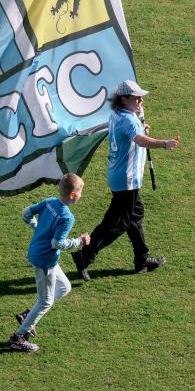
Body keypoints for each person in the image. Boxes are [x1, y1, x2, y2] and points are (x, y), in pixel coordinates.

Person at [72, 79, 179, 281]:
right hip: (126, 180)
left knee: (135, 217)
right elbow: (139, 140)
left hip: (119, 176)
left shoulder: (119, 115)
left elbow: (130, 133)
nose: (140, 100)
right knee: (117, 223)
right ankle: (84, 255)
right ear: (124, 99)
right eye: (135, 97)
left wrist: (139, 124)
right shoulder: (129, 120)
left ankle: (142, 259)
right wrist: (163, 143)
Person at [8, 173, 90, 353]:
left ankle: (28, 316)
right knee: (45, 302)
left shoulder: (50, 201)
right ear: (73, 195)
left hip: (38, 253)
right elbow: (57, 243)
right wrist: (79, 241)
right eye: (80, 192)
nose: (81, 195)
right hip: (45, 260)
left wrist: (37, 228)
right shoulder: (66, 217)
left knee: (64, 287)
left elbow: (26, 213)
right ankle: (19, 337)